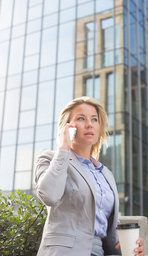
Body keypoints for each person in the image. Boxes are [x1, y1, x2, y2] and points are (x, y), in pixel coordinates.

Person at [35, 96, 144, 256]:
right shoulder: (50, 159)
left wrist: (129, 248)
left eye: (94, 119)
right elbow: (49, 196)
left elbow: (107, 228)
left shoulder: (105, 173)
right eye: (81, 118)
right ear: (67, 127)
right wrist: (63, 148)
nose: (89, 124)